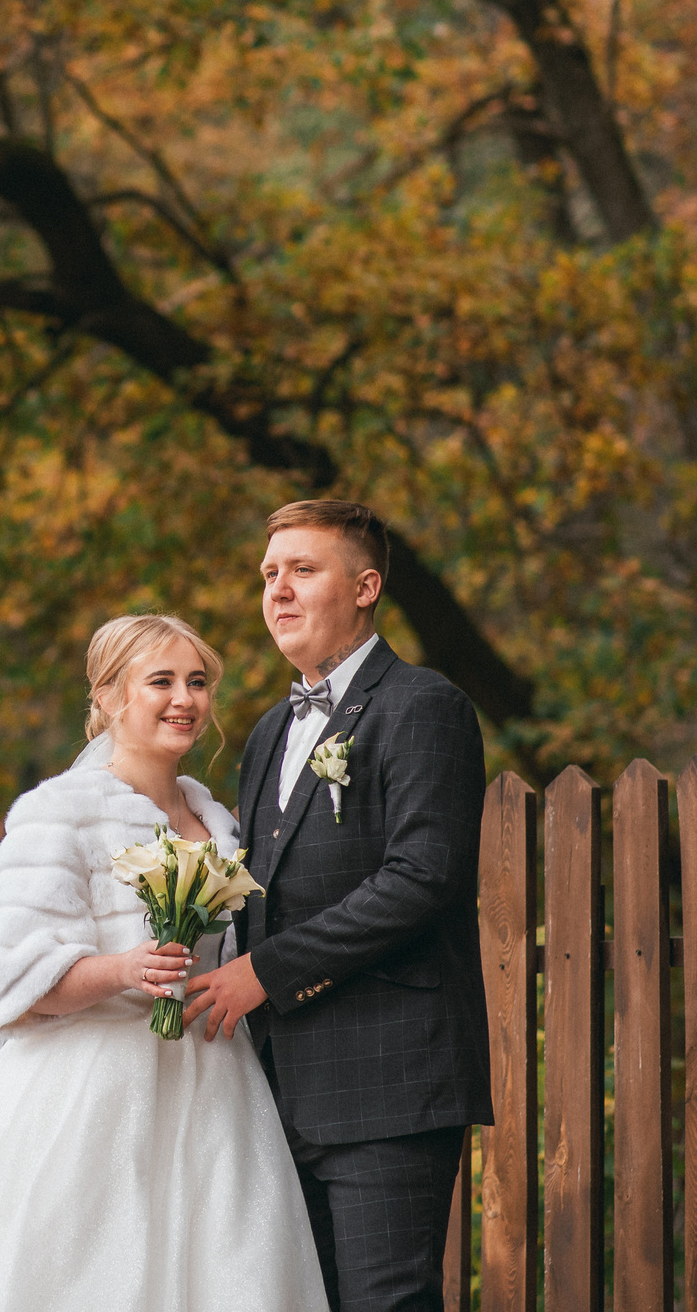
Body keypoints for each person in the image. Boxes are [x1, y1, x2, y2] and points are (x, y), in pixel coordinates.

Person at [0, 614, 331, 1312]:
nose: (184, 699)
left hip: (216, 1088)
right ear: (107, 697)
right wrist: (123, 970)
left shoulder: (221, 822)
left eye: (197, 682)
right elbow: (15, 983)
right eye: (160, 680)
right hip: (93, 1094)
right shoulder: (58, 812)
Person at [179, 499, 492, 1312]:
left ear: (366, 586)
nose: (277, 590)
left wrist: (266, 971)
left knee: (386, 1301)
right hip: (278, 1083)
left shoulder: (424, 706)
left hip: (390, 1074)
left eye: (302, 570)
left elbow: (423, 876)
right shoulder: (265, 735)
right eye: (268, 574)